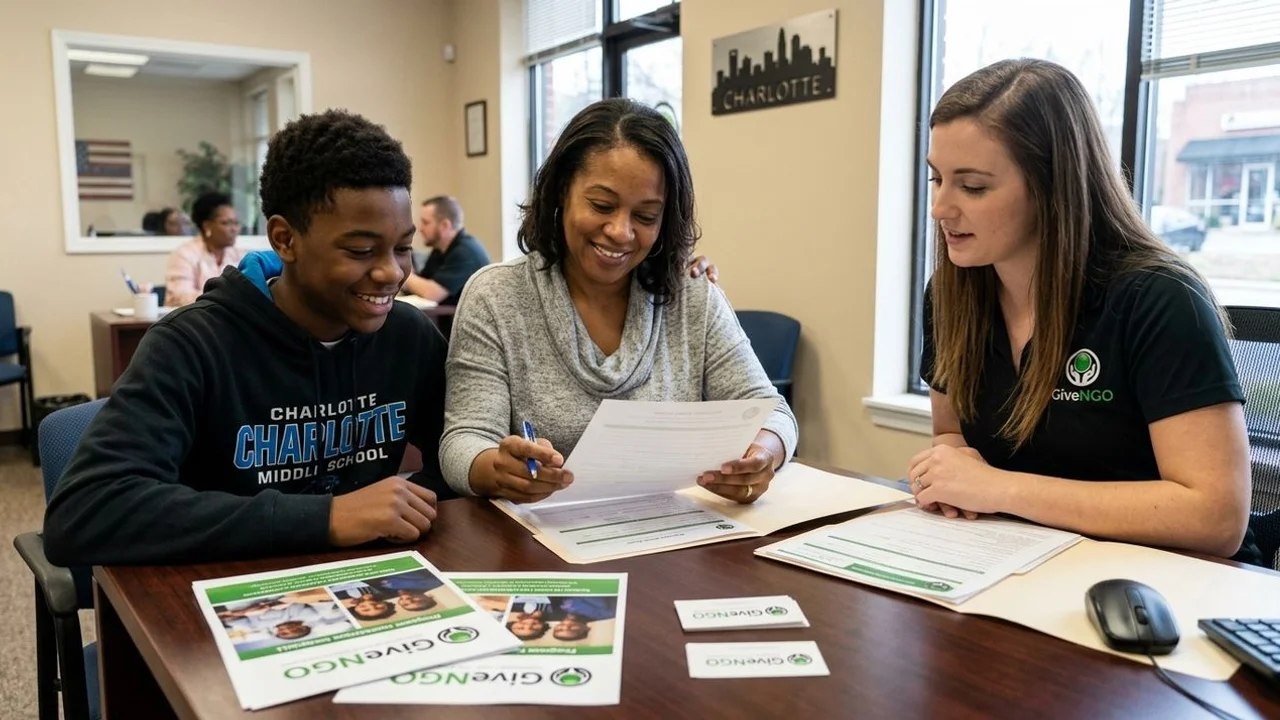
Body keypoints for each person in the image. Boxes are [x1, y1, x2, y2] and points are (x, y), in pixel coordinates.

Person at [42, 109, 450, 566]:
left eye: (402, 247)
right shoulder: (191, 345)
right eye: (360, 250)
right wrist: (326, 517)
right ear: (284, 239)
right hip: (226, 594)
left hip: (368, 580)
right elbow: (84, 514)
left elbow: (453, 451)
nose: (391, 273)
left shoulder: (408, 335)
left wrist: (479, 465)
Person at [909, 59, 1258, 562]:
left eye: (973, 186)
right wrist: (949, 466)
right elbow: (952, 434)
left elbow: (1214, 517)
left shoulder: (1160, 298)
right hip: (1021, 562)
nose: (941, 207)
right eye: (936, 179)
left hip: (1170, 584)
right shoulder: (950, 295)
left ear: (1054, 186)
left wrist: (1000, 489)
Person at [440, 98, 797, 505]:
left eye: (645, 217)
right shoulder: (495, 297)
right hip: (537, 545)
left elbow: (772, 413)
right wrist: (497, 470)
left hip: (676, 539)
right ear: (561, 191)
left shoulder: (694, 295)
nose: (620, 232)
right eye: (602, 205)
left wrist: (764, 454)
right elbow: (463, 442)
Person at [400, 196, 491, 305]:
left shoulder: (465, 252)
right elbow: (420, 287)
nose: (420, 228)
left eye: (425, 222)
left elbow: (432, 294)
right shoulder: (439, 250)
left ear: (444, 225)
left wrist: (403, 273)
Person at [164, 192, 246, 307]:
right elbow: (179, 297)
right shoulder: (184, 254)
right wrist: (225, 297)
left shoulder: (239, 256)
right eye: (226, 223)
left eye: (236, 223)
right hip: (192, 320)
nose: (234, 229)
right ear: (207, 226)